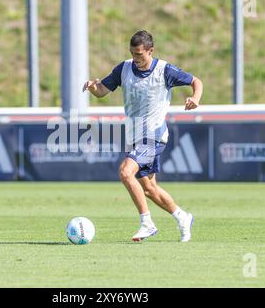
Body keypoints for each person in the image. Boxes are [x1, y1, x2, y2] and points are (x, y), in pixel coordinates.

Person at [83, 30, 203, 242]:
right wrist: (93, 87)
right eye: (132, 53)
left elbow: (196, 81)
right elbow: (102, 90)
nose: (135, 59)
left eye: (139, 54)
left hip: (154, 135)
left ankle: (147, 223)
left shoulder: (164, 70)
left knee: (125, 172)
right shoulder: (124, 68)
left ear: (150, 51)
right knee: (149, 188)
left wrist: (195, 97)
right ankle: (182, 216)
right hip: (135, 136)